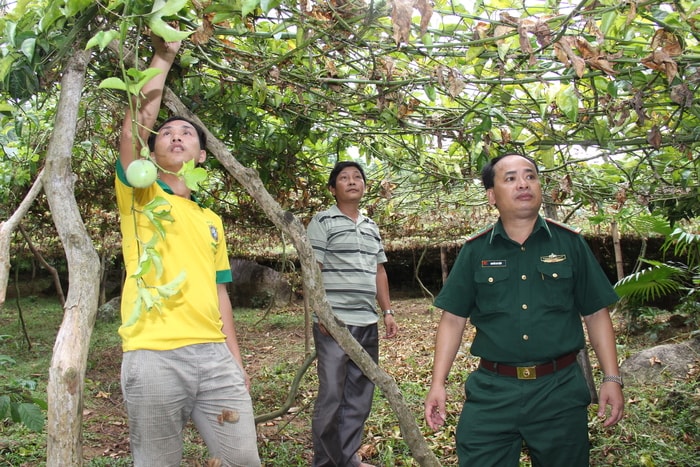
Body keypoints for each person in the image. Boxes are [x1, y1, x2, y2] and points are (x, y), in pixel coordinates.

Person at [424, 153, 624, 467]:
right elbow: (453, 319)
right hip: (493, 390)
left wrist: (611, 377)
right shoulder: (475, 250)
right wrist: (438, 383)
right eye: (511, 178)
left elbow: (596, 314)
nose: (523, 184)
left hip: (558, 391)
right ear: (492, 195)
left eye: (530, 176)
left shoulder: (570, 244)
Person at [116, 34, 260, 467]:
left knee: (243, 461)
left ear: (200, 154)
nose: (175, 136)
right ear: (152, 149)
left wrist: (235, 362)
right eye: (166, 132)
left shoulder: (211, 220)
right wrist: (165, 54)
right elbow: (133, 128)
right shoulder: (141, 195)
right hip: (154, 356)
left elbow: (220, 295)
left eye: (186, 133)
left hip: (215, 359)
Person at [307, 161, 399, 467]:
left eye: (357, 177)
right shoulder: (323, 221)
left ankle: (348, 459)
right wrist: (321, 315)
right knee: (332, 394)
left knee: (360, 395)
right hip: (335, 323)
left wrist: (387, 311)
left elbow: (379, 271)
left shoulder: (371, 227)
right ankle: (324, 462)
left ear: (364, 186)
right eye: (343, 178)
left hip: (366, 321)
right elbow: (312, 270)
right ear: (333, 189)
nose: (352, 181)